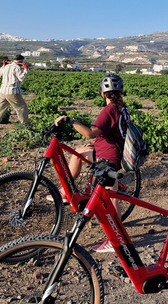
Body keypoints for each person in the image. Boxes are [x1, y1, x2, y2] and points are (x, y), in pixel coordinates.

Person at [53, 73, 130, 252]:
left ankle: (117, 241)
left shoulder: (109, 110)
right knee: (79, 152)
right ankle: (66, 191)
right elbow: (114, 132)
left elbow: (89, 132)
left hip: (109, 156)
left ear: (102, 93)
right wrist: (96, 142)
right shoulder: (122, 108)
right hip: (109, 150)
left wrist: (71, 120)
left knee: (110, 198)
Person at [0, 54, 30, 131]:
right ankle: (25, 125)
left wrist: (3, 65)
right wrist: (26, 70)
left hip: (2, 91)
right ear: (21, 61)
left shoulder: (7, 66)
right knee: (22, 107)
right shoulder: (17, 67)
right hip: (13, 92)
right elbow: (21, 78)